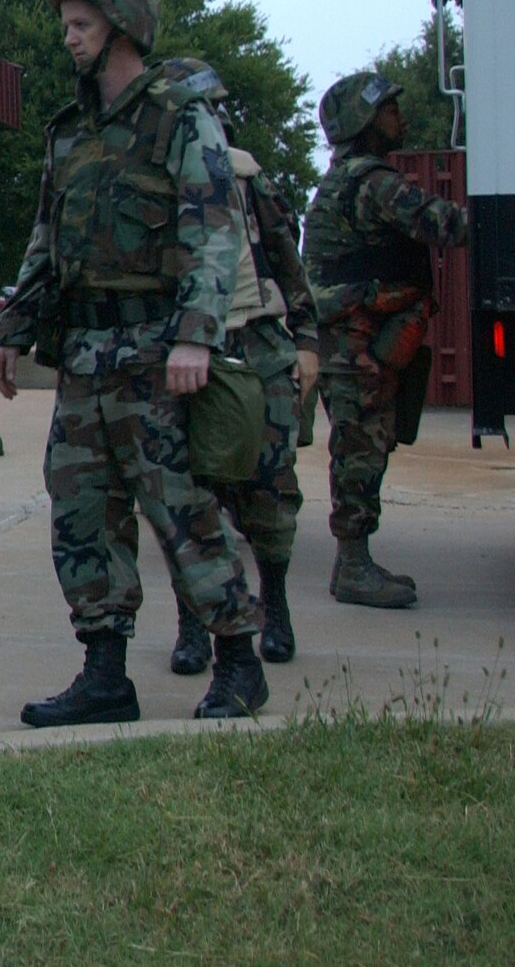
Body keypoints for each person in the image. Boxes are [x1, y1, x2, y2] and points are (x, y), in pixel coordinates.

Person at [0, 0, 266, 725]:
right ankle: (105, 674)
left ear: (122, 26)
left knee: (182, 511)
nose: (70, 40)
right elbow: (45, 240)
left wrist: (197, 337)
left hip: (156, 355)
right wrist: (11, 328)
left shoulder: (180, 117)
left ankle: (240, 660)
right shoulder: (69, 132)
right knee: (81, 511)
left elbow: (214, 229)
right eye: (67, 26)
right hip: (84, 357)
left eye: (81, 25)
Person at [159, 99, 318, 674]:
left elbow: (287, 262)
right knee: (187, 497)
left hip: (254, 346)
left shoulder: (247, 178)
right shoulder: (153, 176)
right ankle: (194, 624)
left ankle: (274, 607)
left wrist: (307, 343)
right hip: (181, 352)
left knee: (269, 493)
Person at [303, 73, 469, 607]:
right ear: (364, 124)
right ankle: (351, 567)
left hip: (354, 337)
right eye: (390, 110)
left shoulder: (345, 180)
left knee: (365, 443)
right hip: (355, 342)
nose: (400, 117)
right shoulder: (372, 182)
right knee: (360, 449)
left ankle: (357, 560)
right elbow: (441, 223)